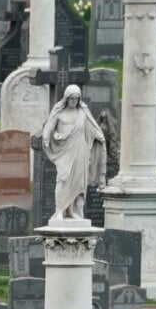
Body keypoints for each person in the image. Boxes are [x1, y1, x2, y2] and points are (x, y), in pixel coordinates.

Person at [38, 84, 106, 223]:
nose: (74, 101)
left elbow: (91, 128)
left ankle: (72, 211)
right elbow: (48, 127)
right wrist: (46, 137)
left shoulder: (82, 113)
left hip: (80, 150)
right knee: (63, 179)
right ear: (67, 98)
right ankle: (59, 211)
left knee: (78, 181)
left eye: (76, 98)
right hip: (64, 150)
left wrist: (98, 135)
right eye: (72, 98)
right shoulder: (59, 112)